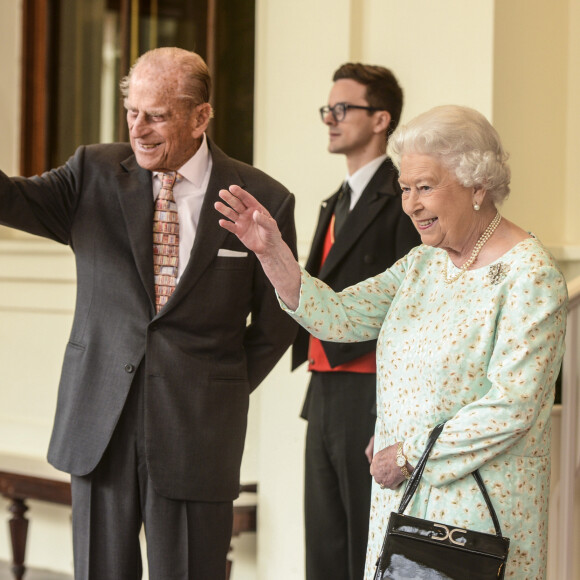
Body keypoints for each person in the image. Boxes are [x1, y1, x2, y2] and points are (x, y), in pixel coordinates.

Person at [216, 104, 568, 579]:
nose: (411, 204)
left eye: (425, 187)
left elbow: (513, 407)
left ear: (478, 185)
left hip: (477, 514)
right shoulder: (422, 264)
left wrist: (407, 454)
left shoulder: (530, 276)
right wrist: (273, 253)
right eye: (405, 188)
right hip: (403, 498)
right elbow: (339, 316)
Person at [0, 47, 298, 579]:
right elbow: (9, 198)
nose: (138, 128)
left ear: (200, 115)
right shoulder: (91, 172)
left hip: (198, 429)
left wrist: (220, 385)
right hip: (100, 425)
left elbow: (277, 321)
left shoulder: (263, 199)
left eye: (156, 115)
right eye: (132, 111)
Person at [291, 63, 420, 580]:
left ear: (381, 119)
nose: (331, 118)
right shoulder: (335, 200)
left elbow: (411, 314)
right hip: (322, 390)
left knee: (363, 550)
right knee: (322, 544)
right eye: (328, 109)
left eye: (343, 109)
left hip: (370, 394)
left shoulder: (404, 198)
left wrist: (394, 415)